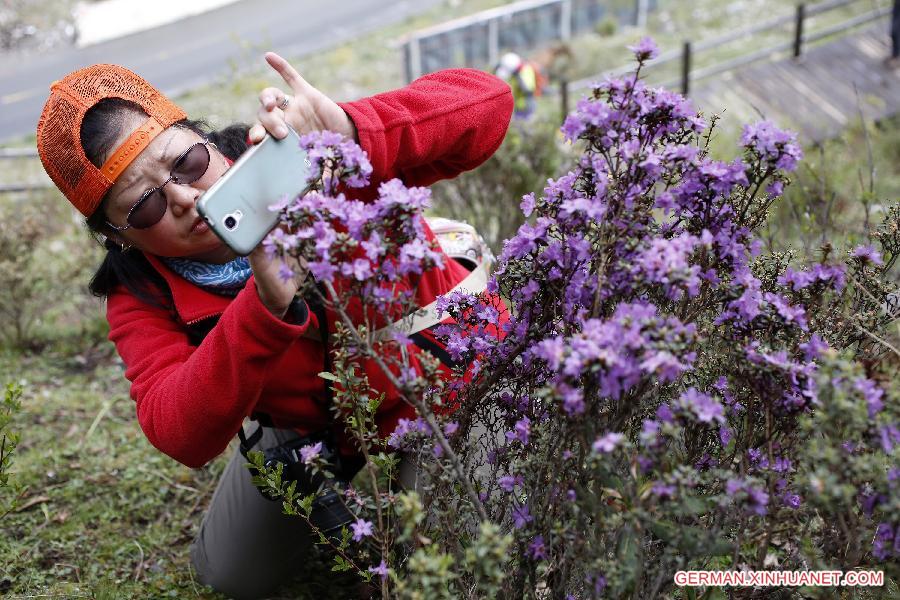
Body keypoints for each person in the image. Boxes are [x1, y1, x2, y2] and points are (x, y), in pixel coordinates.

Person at [36, 52, 513, 599]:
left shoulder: (299, 153)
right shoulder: (141, 290)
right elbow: (176, 430)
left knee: (457, 557)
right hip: (318, 425)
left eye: (188, 163)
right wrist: (263, 310)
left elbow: (491, 104)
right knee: (231, 575)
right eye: (145, 207)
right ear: (120, 237)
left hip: (444, 377)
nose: (186, 200)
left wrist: (355, 129)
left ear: (205, 138)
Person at [494, 51, 544, 119]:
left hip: (527, 108)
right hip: (519, 108)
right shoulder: (515, 73)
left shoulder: (526, 70)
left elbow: (528, 89)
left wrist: (518, 78)